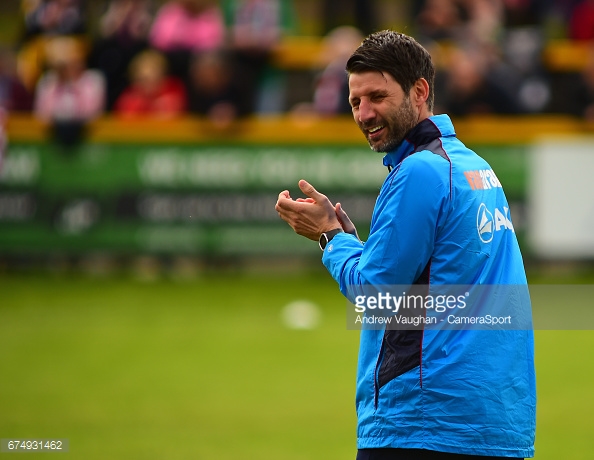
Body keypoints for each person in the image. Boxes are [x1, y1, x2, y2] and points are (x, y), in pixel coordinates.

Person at [275, 30, 535, 459]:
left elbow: (376, 295)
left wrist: (329, 238)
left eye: (377, 96)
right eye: (355, 101)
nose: (364, 113)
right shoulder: (474, 167)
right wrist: (353, 241)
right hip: (496, 422)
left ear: (419, 91)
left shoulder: (420, 172)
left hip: (425, 421)